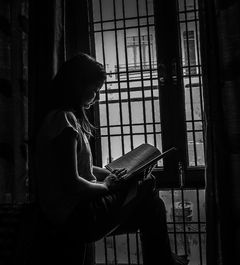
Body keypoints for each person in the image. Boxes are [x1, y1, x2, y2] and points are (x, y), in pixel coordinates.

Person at [35, 53, 188, 265]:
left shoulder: (63, 119)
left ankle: (164, 261)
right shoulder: (63, 120)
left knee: (151, 207)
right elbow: (73, 183)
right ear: (78, 85)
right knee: (147, 183)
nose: (97, 96)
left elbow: (82, 167)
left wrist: (110, 174)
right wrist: (107, 185)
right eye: (95, 90)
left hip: (77, 212)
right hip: (77, 216)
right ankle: (165, 261)